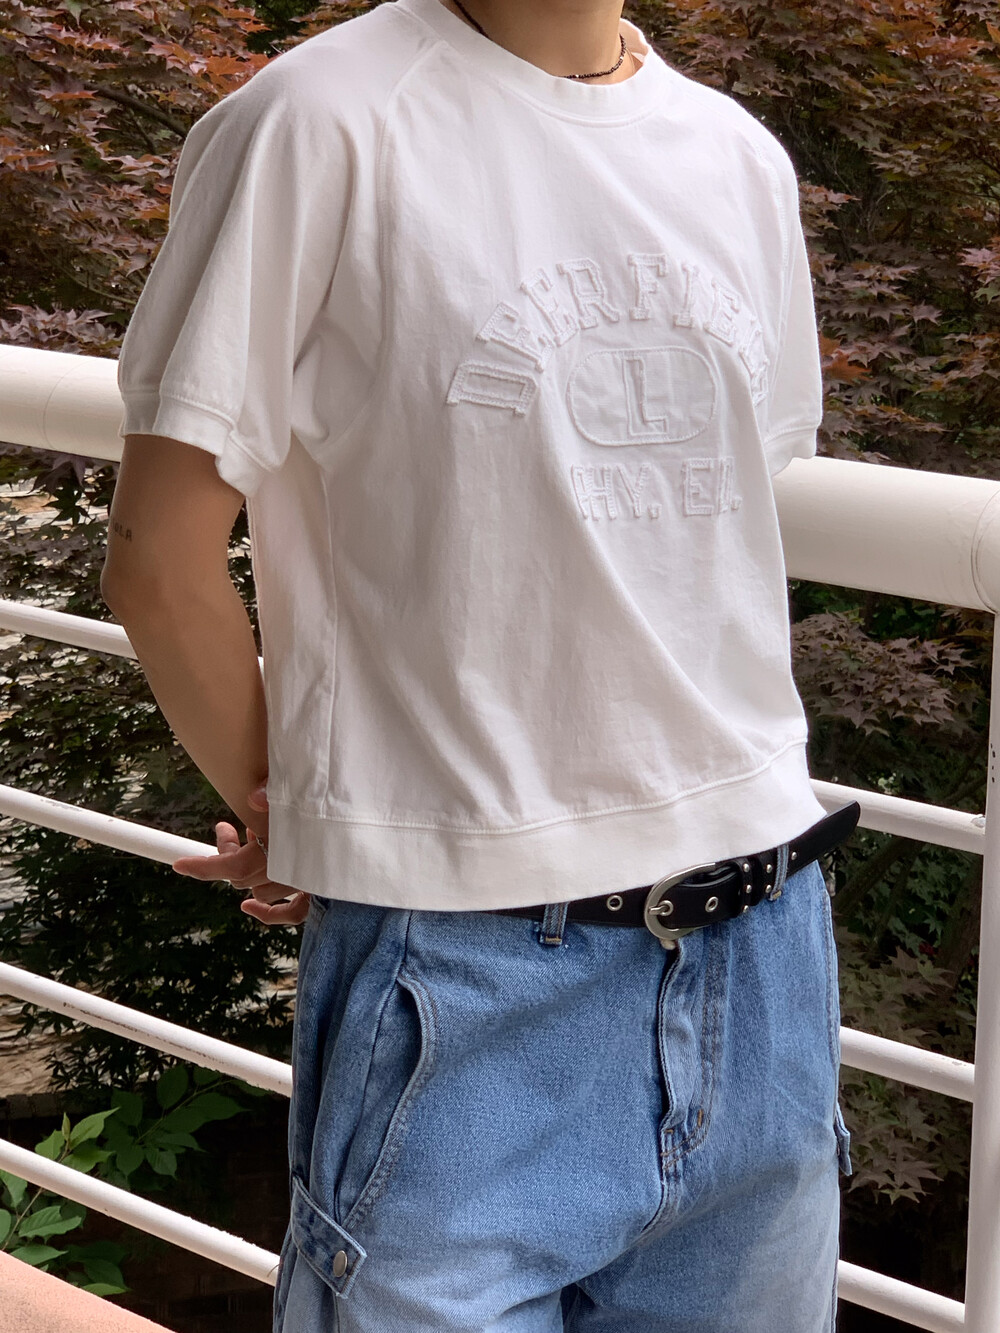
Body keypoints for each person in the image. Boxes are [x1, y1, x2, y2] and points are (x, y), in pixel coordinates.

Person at [102, 0, 860, 1328]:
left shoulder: (736, 155)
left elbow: (702, 530)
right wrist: (299, 806)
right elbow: (158, 559)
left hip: (766, 953)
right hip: (463, 977)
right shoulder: (317, 124)